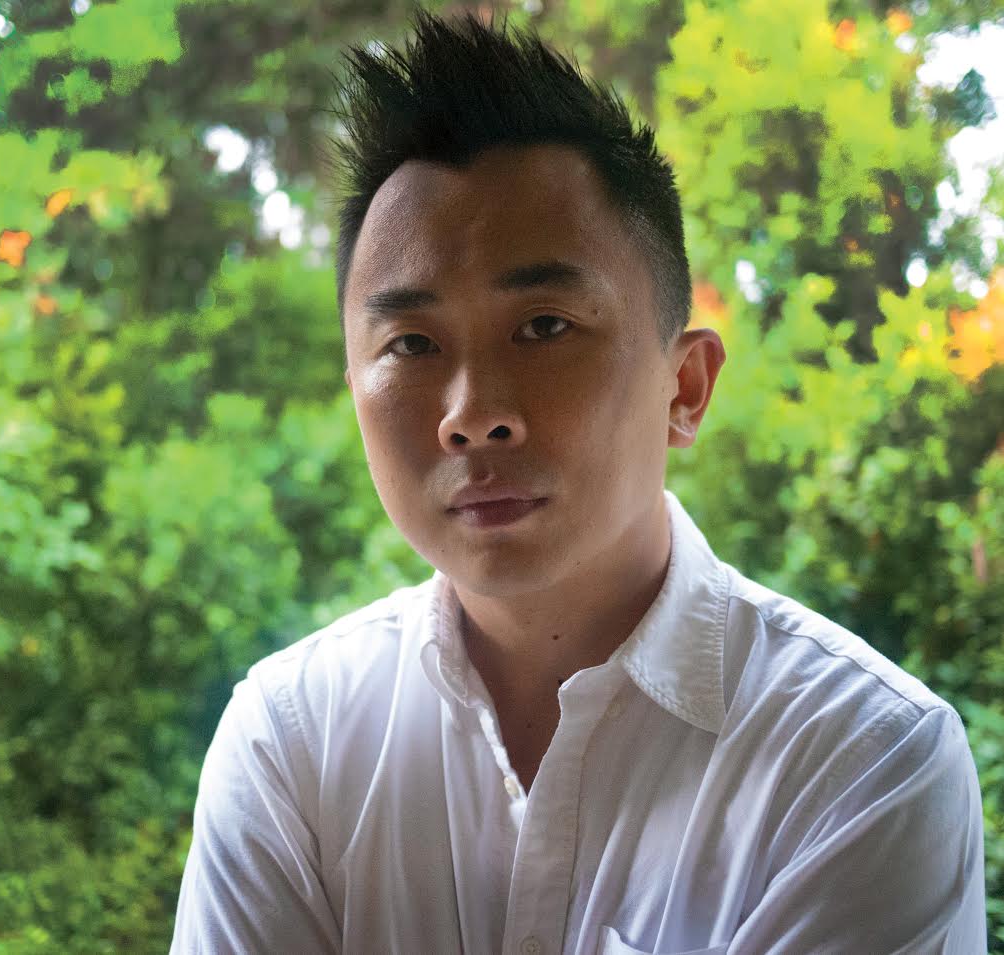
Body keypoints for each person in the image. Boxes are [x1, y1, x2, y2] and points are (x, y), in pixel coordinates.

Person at [171, 9, 986, 953]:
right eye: (412, 344)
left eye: (545, 326)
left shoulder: (861, 759)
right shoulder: (292, 741)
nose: (472, 413)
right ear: (354, 388)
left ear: (685, 386)